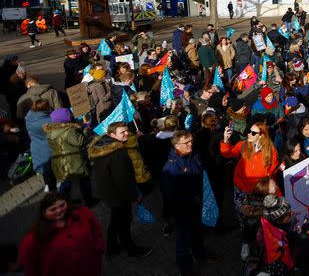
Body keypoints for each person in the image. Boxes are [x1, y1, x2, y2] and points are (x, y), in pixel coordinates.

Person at [88, 122, 152, 258]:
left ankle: (111, 246)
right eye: (122, 132)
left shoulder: (102, 146)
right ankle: (131, 249)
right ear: (112, 135)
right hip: (118, 194)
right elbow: (123, 180)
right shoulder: (118, 153)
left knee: (115, 220)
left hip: (108, 191)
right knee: (124, 221)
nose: (126, 134)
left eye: (126, 131)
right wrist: (134, 196)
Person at [220, 120, 279, 260]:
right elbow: (227, 153)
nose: (249, 134)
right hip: (240, 188)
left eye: (253, 132)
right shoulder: (243, 145)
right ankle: (246, 242)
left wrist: (268, 189)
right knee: (243, 218)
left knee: (259, 218)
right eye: (249, 131)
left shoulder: (271, 151)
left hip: (258, 192)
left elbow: (272, 173)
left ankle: (261, 242)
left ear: (262, 136)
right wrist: (226, 140)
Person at [18, 192, 105, 276]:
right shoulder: (33, 238)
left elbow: (96, 229)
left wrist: (98, 248)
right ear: (44, 213)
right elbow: (29, 264)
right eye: (53, 209)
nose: (59, 211)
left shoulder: (83, 213)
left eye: (62, 205)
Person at [161, 130, 209, 275]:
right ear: (176, 145)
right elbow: (170, 196)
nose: (190, 144)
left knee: (197, 232)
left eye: (191, 141)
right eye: (186, 142)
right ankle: (185, 268)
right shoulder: (171, 168)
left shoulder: (193, 155)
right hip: (183, 209)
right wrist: (190, 199)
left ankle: (199, 254)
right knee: (183, 239)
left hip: (196, 204)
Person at [45, 108, 95, 204]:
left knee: (66, 183)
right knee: (84, 180)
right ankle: (89, 201)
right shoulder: (69, 130)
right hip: (74, 161)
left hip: (60, 162)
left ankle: (64, 201)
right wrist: (87, 126)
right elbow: (81, 141)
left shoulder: (50, 131)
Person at [27, 99, 56, 192]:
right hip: (47, 148)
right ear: (45, 108)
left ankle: (47, 185)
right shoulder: (49, 120)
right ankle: (54, 189)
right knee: (51, 168)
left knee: (44, 169)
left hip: (36, 147)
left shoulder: (29, 117)